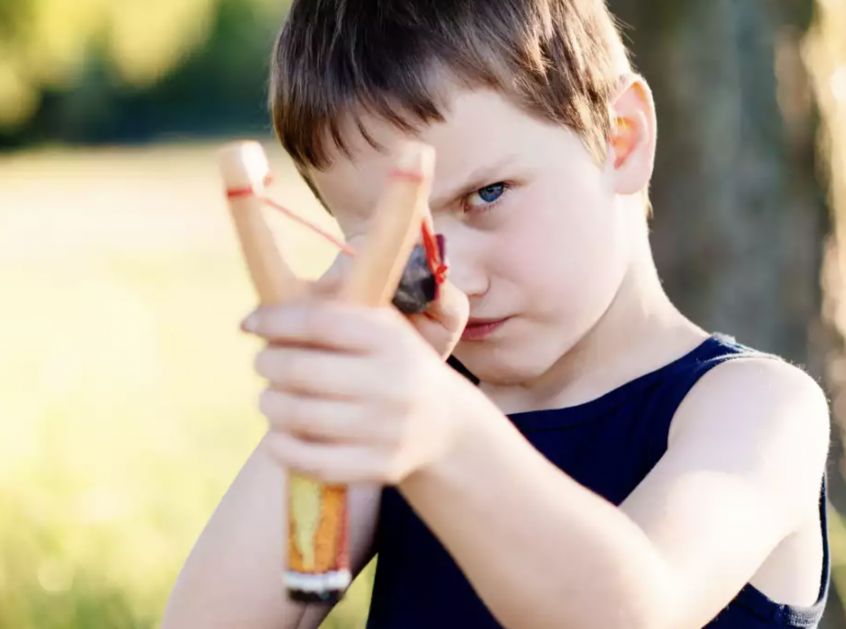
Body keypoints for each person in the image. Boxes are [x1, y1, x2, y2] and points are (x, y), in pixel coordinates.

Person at [161, 1, 832, 627]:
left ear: (620, 139)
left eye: (486, 194)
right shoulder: (404, 412)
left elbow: (632, 610)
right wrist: (331, 385)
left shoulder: (760, 410)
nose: (456, 278)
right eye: (389, 237)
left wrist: (439, 427)